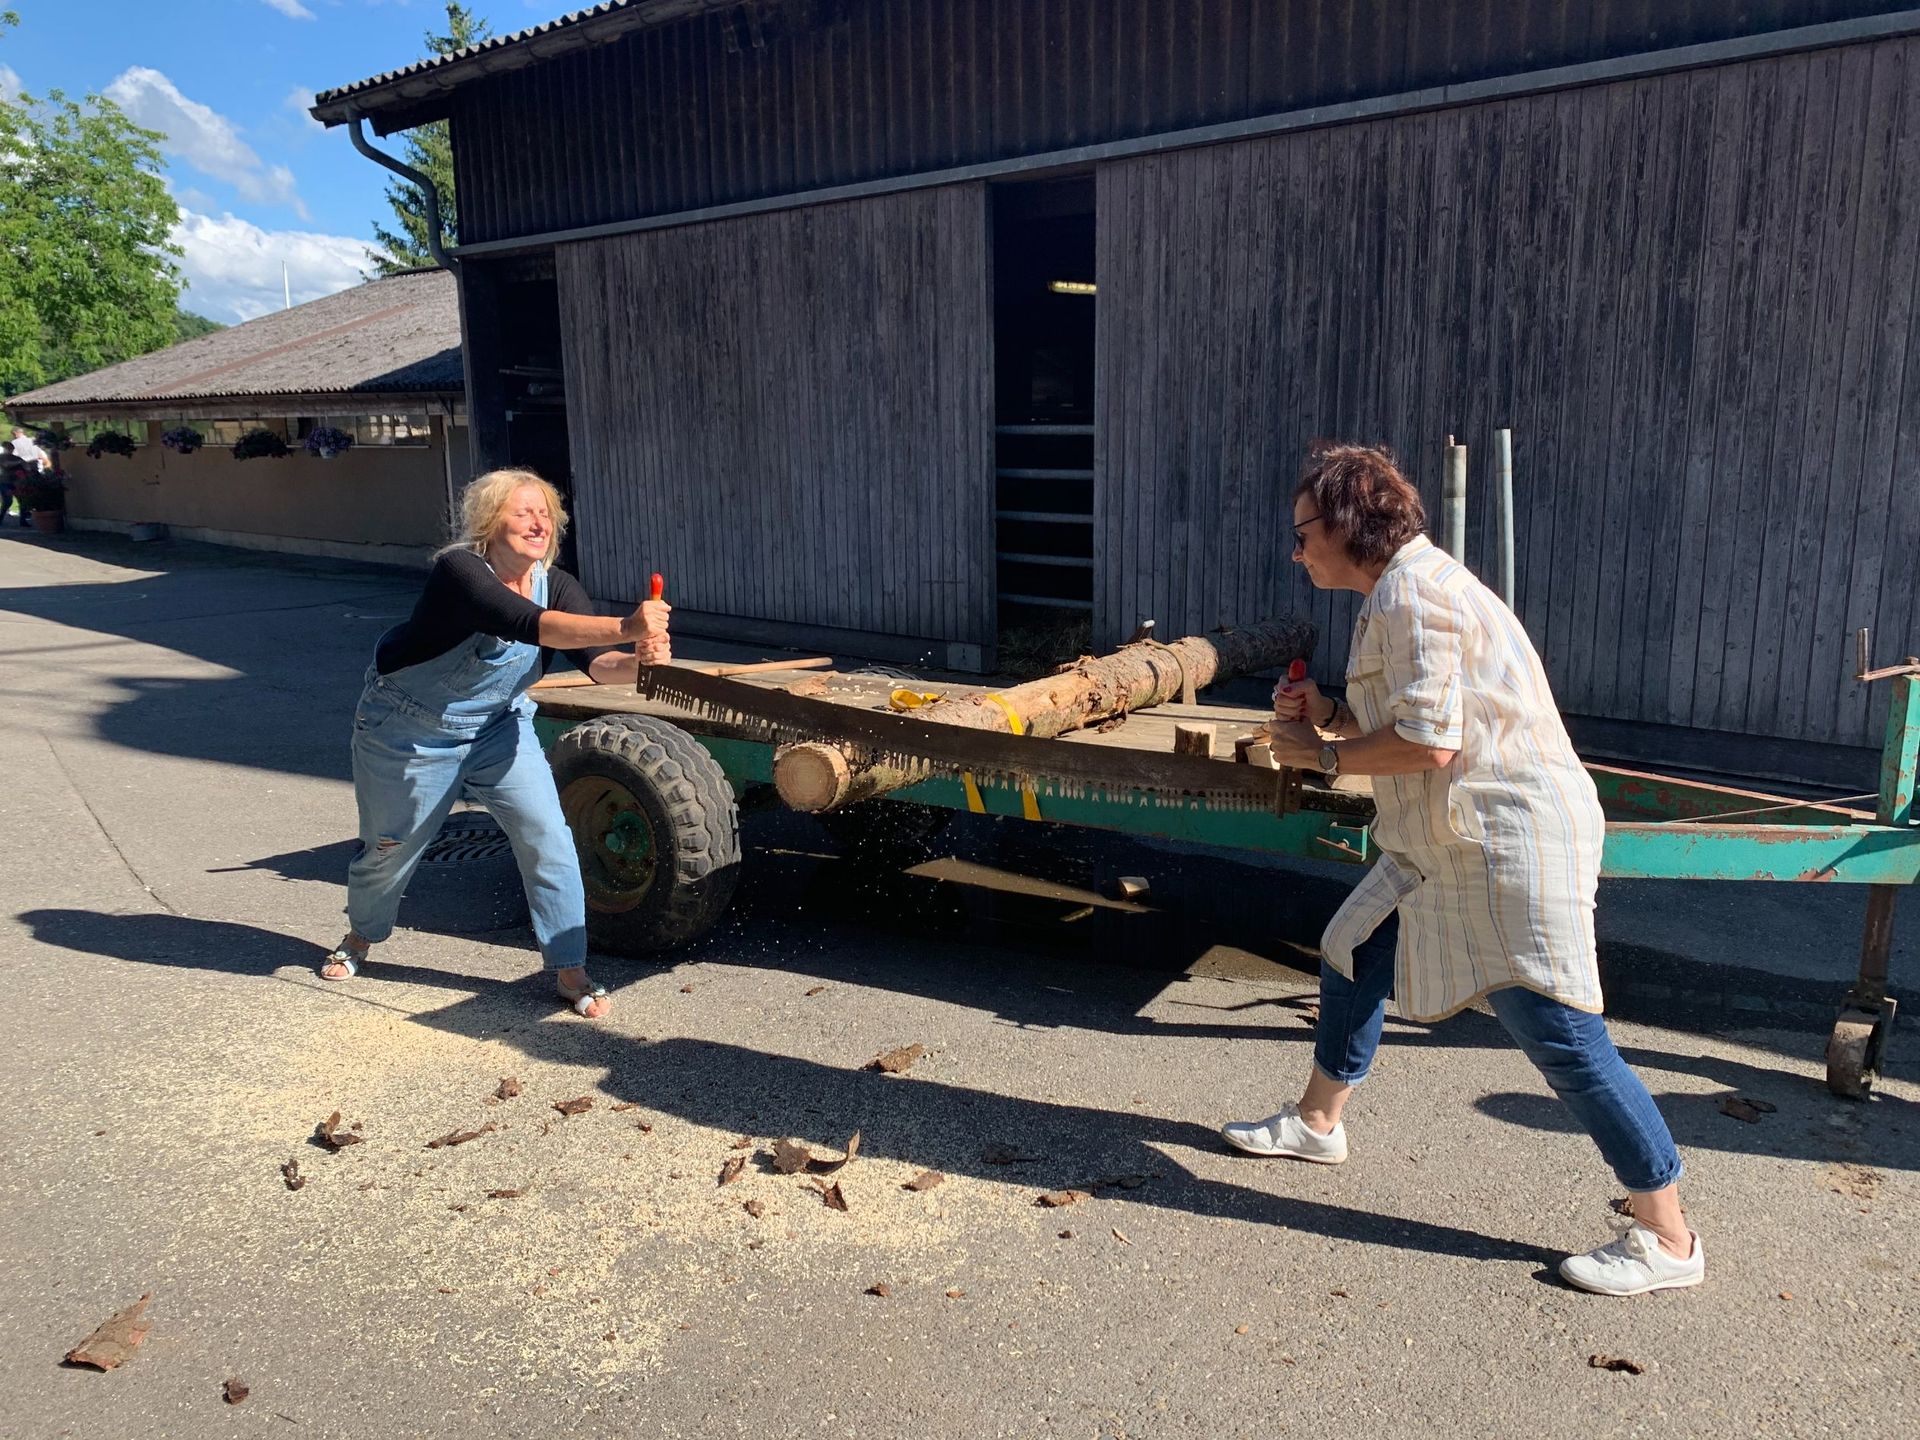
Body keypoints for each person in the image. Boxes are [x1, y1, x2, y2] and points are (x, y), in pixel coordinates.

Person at [1221, 443, 1703, 1297]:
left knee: (1559, 1033)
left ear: (1347, 525)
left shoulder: (1418, 596)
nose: (1295, 552)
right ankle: (1318, 1123)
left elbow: (1429, 742)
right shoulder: (1393, 591)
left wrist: (1320, 756)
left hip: (1506, 840)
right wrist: (1328, 712)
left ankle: (1668, 1237)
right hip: (1444, 838)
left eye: (1302, 534)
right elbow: (1412, 714)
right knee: (1353, 944)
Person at [321, 467, 670, 1019]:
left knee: (547, 836)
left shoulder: (557, 583)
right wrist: (627, 626)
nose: (539, 523)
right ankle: (361, 935)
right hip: (409, 729)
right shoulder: (460, 571)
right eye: (523, 512)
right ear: (490, 522)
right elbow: (527, 623)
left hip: (498, 725)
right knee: (390, 848)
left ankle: (570, 969)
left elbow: (597, 664)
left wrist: (640, 662)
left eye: (546, 514)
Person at [0, 443, 28, 526]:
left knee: (23, 501)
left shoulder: (16, 458)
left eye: (11, 449)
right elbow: (6, 465)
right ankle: (1, 518)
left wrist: (26, 465)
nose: (9, 450)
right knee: (8, 501)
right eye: (7, 448)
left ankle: (23, 521)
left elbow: (26, 467)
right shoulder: (1, 457)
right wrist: (19, 462)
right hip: (4, 482)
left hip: (17, 482)